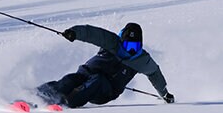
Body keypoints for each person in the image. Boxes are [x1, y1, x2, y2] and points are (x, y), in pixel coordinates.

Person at [37, 22, 175, 108]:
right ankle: (37, 94)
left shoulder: (142, 59)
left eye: (135, 46)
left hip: (106, 90)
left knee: (98, 81)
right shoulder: (112, 42)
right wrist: (74, 33)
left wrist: (165, 94)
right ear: (122, 41)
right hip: (86, 73)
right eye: (128, 45)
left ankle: (66, 102)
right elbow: (92, 34)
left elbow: (155, 73)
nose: (131, 50)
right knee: (70, 80)